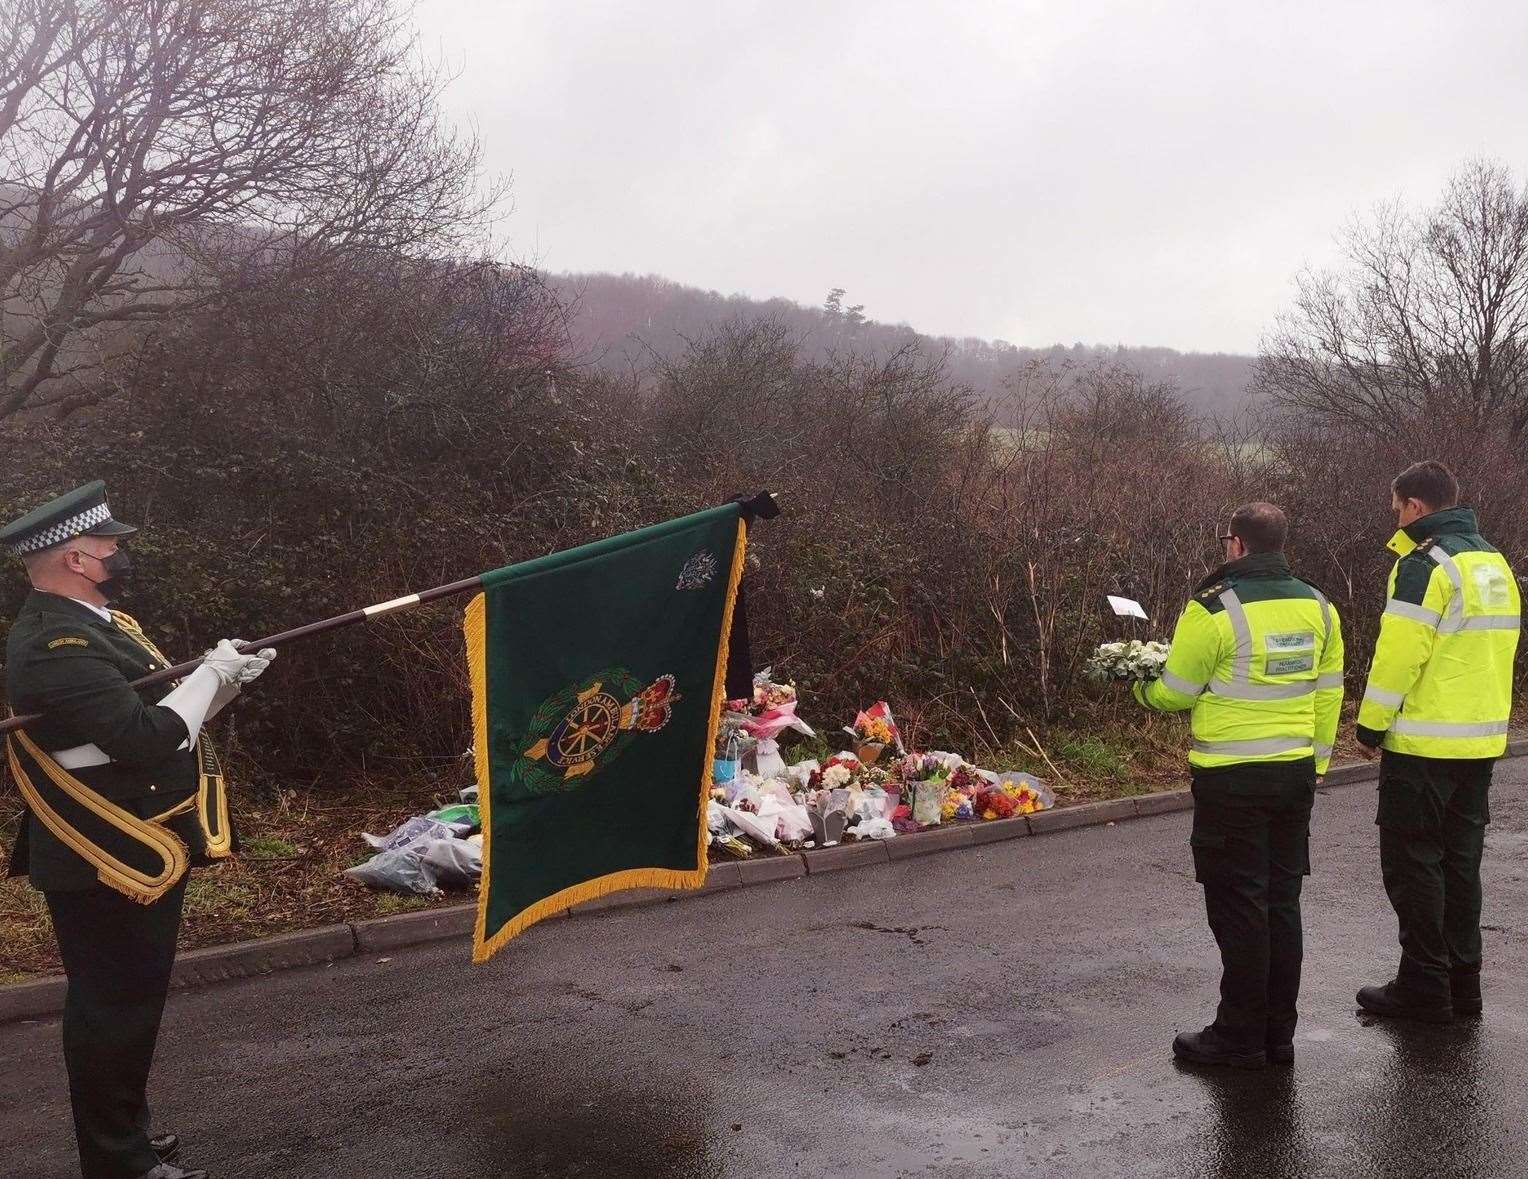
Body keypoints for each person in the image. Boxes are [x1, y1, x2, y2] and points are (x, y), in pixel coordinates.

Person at [2, 482, 275, 1179]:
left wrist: (225, 681)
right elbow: (148, 738)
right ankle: (116, 1161)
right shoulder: (55, 642)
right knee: (112, 1010)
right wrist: (208, 677)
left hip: (133, 840)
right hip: (105, 855)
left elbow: (166, 714)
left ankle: (123, 1137)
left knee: (127, 1004)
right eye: (109, 546)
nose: (120, 553)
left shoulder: (101, 623)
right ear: (76, 559)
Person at [1133, 502, 1344, 1068]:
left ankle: (1239, 1035)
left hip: (1231, 779)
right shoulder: (1320, 606)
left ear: (1236, 545)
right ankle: (1278, 1035)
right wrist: (1317, 765)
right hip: (1295, 773)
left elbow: (1176, 691)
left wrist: (1139, 689)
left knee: (1239, 906)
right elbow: (1329, 696)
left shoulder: (1212, 608)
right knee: (1281, 903)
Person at [1354, 461, 1521, 1023]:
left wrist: (1371, 724)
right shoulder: (1492, 562)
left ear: (1416, 508)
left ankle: (1424, 985)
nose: (1395, 516)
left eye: (1397, 507)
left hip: (1424, 744)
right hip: (1479, 742)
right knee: (1460, 864)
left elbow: (1399, 653)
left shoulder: (1425, 565)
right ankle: (1462, 984)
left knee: (1413, 865)